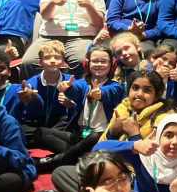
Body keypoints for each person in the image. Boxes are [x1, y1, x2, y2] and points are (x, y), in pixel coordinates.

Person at [39, 70, 177, 192]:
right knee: (60, 173)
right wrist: (113, 130)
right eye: (135, 88)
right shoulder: (123, 108)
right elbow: (99, 149)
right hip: (109, 172)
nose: (139, 94)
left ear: (158, 94)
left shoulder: (166, 119)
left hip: (138, 182)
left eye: (147, 90)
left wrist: (134, 135)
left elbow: (155, 165)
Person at [33, 46, 124, 175]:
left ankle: (53, 161)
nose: (99, 64)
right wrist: (68, 88)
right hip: (80, 135)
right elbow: (75, 90)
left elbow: (111, 93)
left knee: (94, 136)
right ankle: (78, 156)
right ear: (88, 64)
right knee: (40, 133)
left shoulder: (115, 86)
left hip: (100, 138)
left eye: (103, 61)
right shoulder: (82, 83)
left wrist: (100, 94)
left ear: (112, 64)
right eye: (95, 61)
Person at [21, 0, 106, 78]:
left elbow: (97, 22)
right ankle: (35, 94)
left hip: (81, 37)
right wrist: (52, 2)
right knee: (28, 62)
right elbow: (45, 15)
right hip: (49, 37)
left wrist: (89, 6)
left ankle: (74, 92)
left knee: (81, 62)